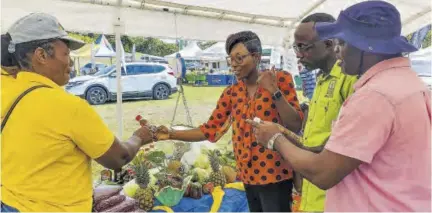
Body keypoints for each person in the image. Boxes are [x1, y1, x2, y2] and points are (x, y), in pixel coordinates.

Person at [248, 1, 431, 212]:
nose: (337, 51)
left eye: (342, 44)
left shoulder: (375, 96)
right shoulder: (408, 83)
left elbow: (324, 173)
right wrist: (300, 146)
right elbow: (348, 148)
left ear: (365, 46)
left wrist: (275, 140)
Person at [1, 13, 154, 212]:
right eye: (66, 54)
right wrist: (138, 137)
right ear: (41, 55)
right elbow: (118, 158)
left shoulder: (6, 88)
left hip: (9, 203)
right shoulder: (66, 106)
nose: (71, 63)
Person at [152, 31, 304, 212]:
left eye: (239, 58)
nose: (233, 64)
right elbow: (210, 130)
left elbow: (295, 124)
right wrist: (171, 133)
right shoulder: (231, 93)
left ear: (256, 57)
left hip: (275, 173)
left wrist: (274, 91)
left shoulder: (280, 79)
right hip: (247, 175)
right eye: (230, 59)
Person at [292, 13, 358, 212]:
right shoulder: (321, 80)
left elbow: (349, 144)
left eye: (303, 47)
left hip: (335, 200)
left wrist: (282, 143)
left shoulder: (350, 80)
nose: (298, 54)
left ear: (329, 44)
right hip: (312, 194)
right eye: (296, 47)